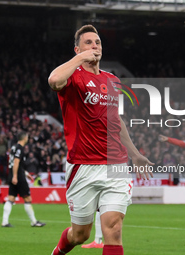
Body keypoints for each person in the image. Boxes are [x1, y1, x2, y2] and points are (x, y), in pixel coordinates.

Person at [48, 24, 153, 255]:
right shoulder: (73, 78)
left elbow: (117, 122)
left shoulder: (113, 81)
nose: (94, 46)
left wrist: (135, 154)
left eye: (98, 43)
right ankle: (58, 251)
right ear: (77, 49)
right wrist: (80, 59)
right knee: (80, 234)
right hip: (83, 166)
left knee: (113, 228)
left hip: (116, 165)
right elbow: (54, 80)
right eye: (88, 43)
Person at [1, 131, 45, 227]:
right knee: (28, 198)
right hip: (18, 177)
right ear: (25, 138)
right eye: (27, 137)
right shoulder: (19, 148)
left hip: (14, 175)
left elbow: (16, 164)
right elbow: (16, 162)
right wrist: (16, 176)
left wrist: (26, 173)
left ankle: (4, 222)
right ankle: (34, 222)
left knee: (11, 198)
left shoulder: (13, 147)